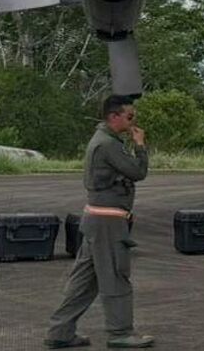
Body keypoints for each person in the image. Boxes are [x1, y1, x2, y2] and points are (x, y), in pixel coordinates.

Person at [44, 95, 155, 349]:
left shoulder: (105, 141)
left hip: (96, 219)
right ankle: (120, 332)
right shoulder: (108, 145)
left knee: (84, 281)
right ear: (113, 116)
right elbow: (138, 172)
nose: (132, 121)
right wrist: (140, 145)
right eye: (129, 116)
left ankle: (59, 331)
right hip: (108, 222)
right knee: (116, 275)